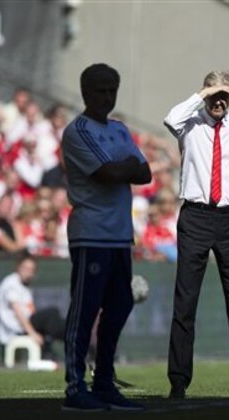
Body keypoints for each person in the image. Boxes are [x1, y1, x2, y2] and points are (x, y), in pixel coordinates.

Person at [163, 70, 229, 399]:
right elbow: (169, 119)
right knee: (185, 303)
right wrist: (203, 93)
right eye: (215, 94)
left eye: (227, 95)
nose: (220, 101)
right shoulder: (190, 121)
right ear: (206, 93)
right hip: (195, 216)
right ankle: (178, 383)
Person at [60, 63, 151, 412]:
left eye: (112, 89)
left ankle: (103, 381)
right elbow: (109, 172)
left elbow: (145, 173)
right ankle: (74, 386)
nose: (107, 96)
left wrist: (125, 168)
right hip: (92, 233)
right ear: (85, 92)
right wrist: (124, 167)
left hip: (119, 236)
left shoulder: (120, 129)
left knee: (120, 305)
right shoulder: (78, 131)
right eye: (100, 90)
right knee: (84, 310)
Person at [0, 253, 65, 361]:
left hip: (26, 325)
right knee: (52, 314)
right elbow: (18, 312)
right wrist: (32, 333)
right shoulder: (11, 284)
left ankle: (55, 344)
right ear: (18, 267)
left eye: (31, 269)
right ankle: (69, 339)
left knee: (54, 319)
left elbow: (31, 310)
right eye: (26, 268)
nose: (28, 272)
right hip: (17, 329)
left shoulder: (24, 286)